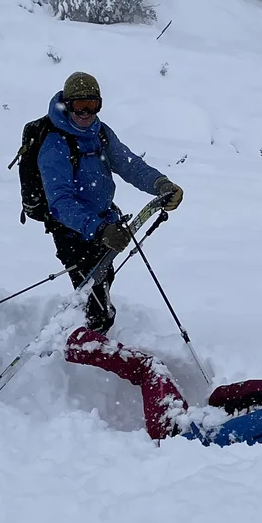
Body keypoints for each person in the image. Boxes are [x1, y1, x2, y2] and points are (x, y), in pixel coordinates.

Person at [27, 72, 184, 332]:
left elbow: (129, 164)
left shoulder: (99, 133)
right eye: (80, 107)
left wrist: (160, 184)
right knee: (93, 300)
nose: (87, 114)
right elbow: (60, 202)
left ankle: (90, 339)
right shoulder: (56, 143)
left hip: (104, 222)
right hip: (73, 232)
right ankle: (83, 347)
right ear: (67, 105)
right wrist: (99, 230)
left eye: (93, 106)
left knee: (101, 284)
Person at [65, 328, 262, 445]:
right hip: (192, 438)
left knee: (150, 368)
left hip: (182, 436)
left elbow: (219, 399)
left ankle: (74, 340)